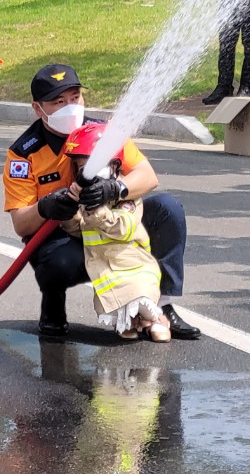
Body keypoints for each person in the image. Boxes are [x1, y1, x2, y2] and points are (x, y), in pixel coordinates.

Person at [1, 63, 201, 341]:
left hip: (113, 223)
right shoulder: (24, 154)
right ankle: (53, 308)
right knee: (59, 263)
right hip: (65, 235)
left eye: (75, 98)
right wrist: (46, 207)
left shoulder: (104, 134)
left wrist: (114, 189)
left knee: (168, 209)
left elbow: (148, 176)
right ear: (38, 109)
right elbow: (21, 224)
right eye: (58, 102)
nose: (70, 107)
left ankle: (162, 306)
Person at [55, 122, 171, 342]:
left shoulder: (127, 197)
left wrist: (97, 210)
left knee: (141, 295)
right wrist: (67, 212)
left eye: (94, 165)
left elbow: (124, 228)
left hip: (133, 264)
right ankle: (131, 323)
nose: (87, 172)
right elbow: (79, 229)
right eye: (81, 167)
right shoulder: (82, 198)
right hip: (104, 270)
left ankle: (156, 320)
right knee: (111, 303)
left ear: (115, 166)